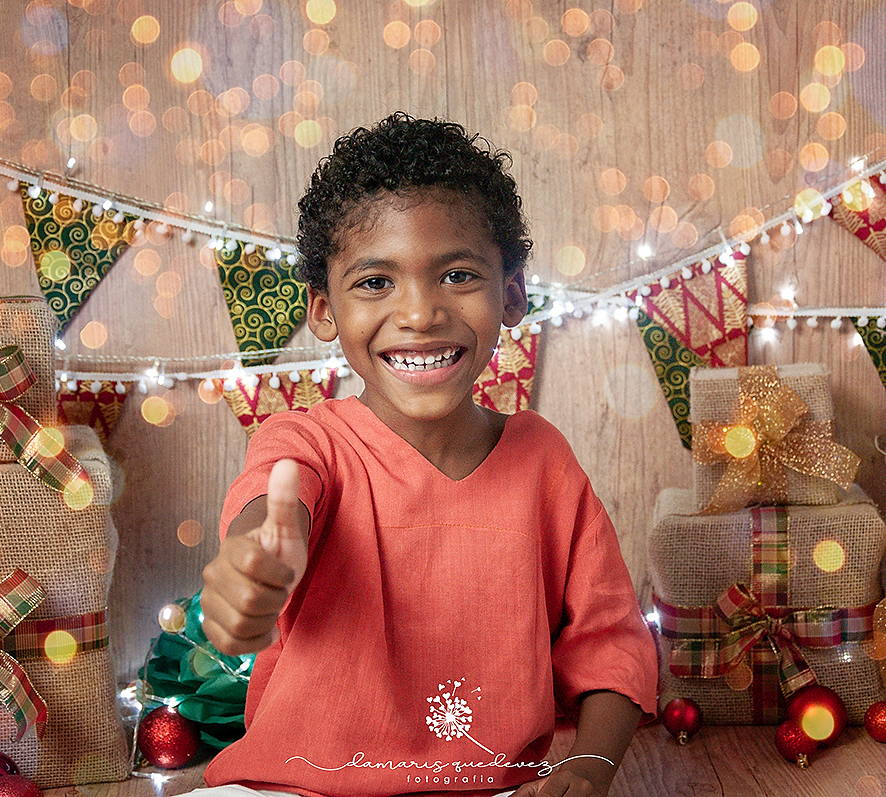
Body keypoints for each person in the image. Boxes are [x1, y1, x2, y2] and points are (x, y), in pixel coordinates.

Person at [197, 113, 656, 797]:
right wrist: (257, 555)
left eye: (457, 274)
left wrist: (588, 769)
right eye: (375, 282)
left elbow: (610, 643)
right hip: (293, 788)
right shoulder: (306, 442)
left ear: (511, 294)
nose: (419, 313)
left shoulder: (543, 461)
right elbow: (270, 506)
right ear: (323, 310)